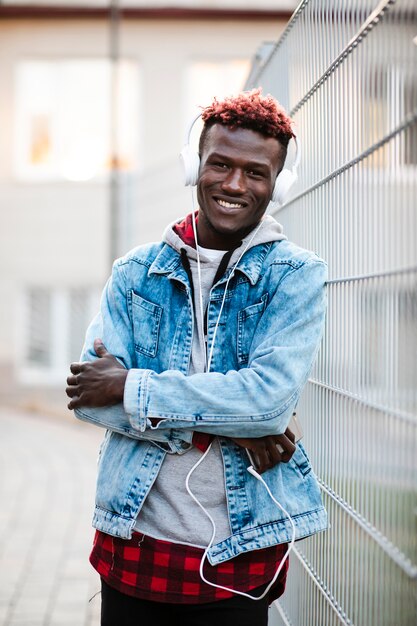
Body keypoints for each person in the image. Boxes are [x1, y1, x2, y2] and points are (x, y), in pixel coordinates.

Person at [66, 89, 328, 626]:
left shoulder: (297, 277)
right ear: (196, 167)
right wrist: (238, 421)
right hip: (132, 536)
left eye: (256, 172)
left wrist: (131, 387)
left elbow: (269, 404)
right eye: (221, 165)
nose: (235, 185)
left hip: (240, 548)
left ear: (279, 183)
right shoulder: (134, 272)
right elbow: (89, 398)